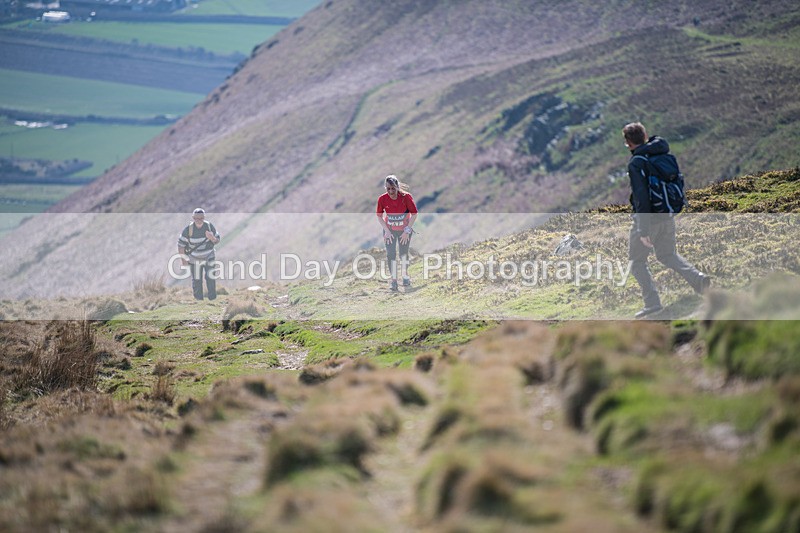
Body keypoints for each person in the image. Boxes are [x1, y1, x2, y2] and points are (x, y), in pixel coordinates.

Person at [622, 122, 710, 318]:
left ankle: (652, 304)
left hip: (649, 220)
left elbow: (642, 198)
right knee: (667, 254)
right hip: (667, 215)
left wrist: (643, 230)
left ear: (628, 142)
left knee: (636, 262)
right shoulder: (661, 153)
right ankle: (698, 279)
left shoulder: (637, 162)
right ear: (645, 136)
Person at [376, 175, 418, 291]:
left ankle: (405, 276)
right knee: (391, 254)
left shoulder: (406, 197)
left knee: (403, 254)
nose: (391, 191)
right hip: (389, 231)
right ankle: (394, 281)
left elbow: (414, 214)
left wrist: (407, 230)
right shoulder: (382, 199)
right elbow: (379, 216)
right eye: (388, 189)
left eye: (393, 188)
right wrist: (387, 231)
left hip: (405, 231)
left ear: (397, 187)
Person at [177, 208, 220, 300]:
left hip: (209, 257)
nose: (199, 220)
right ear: (193, 218)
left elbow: (217, 240)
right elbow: (181, 245)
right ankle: (198, 300)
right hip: (194, 258)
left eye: (201, 218)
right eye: (197, 218)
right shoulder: (188, 230)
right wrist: (184, 260)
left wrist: (212, 238)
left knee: (210, 278)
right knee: (197, 280)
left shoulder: (209, 226)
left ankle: (212, 299)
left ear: (204, 217)